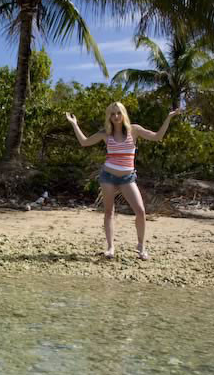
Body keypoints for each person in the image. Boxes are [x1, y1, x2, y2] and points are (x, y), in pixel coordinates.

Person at [65, 102, 181, 260]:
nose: (116, 117)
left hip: (127, 178)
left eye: (118, 113)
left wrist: (168, 118)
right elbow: (84, 142)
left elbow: (157, 137)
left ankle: (141, 247)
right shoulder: (105, 134)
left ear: (123, 113)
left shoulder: (134, 130)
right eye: (112, 114)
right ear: (109, 117)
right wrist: (74, 124)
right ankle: (110, 248)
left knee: (140, 211)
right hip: (108, 177)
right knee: (109, 212)